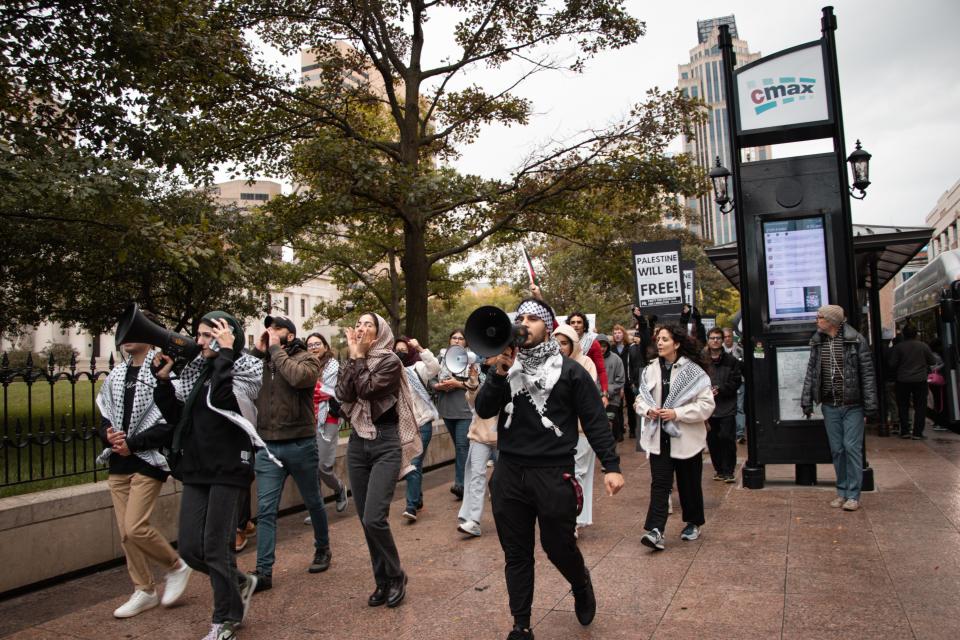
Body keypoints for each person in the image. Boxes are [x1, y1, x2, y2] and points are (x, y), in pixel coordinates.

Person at [475, 299, 624, 640]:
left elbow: (595, 421)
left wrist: (611, 467)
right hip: (510, 473)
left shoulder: (570, 371)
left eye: (532, 318)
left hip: (553, 473)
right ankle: (521, 624)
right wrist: (498, 373)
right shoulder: (505, 367)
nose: (524, 323)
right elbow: (484, 410)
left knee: (558, 548)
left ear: (548, 327)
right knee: (516, 554)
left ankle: (580, 582)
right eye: (520, 317)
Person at [152, 312, 268, 640]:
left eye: (207, 335)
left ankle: (225, 618)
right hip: (199, 467)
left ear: (225, 336)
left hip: (231, 465)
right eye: (199, 335)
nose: (199, 341)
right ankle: (240, 582)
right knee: (190, 548)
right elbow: (178, 417)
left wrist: (227, 354)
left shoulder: (244, 371)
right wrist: (163, 381)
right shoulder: (199, 372)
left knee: (216, 546)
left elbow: (222, 399)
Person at [97, 338, 192, 618]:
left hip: (149, 460)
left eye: (132, 332)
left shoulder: (162, 369)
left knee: (135, 527)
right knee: (126, 535)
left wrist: (135, 444)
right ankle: (144, 590)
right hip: (118, 461)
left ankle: (176, 566)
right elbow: (104, 413)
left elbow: (170, 420)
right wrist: (108, 435)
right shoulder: (117, 373)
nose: (125, 339)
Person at [336, 312, 422, 609]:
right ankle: (381, 580)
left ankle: (397, 575)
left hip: (386, 442)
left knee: (375, 517)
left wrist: (358, 358)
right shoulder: (352, 359)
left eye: (367, 325)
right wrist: (354, 358)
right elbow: (343, 393)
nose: (360, 329)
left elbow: (368, 390)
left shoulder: (389, 361)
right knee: (365, 520)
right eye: (358, 324)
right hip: (358, 444)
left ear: (380, 331)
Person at [246, 315, 329, 592]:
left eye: (277, 328)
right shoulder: (264, 360)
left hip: (300, 443)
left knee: (313, 500)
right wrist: (258, 352)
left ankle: (322, 548)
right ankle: (264, 570)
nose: (270, 331)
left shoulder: (307, 359)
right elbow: (238, 375)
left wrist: (274, 350)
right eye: (269, 328)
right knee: (266, 510)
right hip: (267, 445)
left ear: (290, 336)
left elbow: (297, 378)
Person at [635, 324, 714, 551]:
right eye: (658, 339)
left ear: (677, 343)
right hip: (658, 437)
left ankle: (693, 522)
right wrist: (647, 410)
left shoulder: (694, 371)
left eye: (665, 339)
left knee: (689, 484)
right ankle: (655, 530)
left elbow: (706, 406)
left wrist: (677, 413)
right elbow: (640, 399)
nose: (659, 343)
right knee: (660, 484)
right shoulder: (650, 369)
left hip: (686, 438)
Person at [801, 305, 877, 512]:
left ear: (832, 321)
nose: (816, 320)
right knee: (837, 450)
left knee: (852, 447)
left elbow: (867, 375)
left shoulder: (856, 340)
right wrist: (806, 400)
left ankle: (853, 494)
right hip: (829, 405)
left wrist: (870, 407)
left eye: (820, 317)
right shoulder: (818, 342)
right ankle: (842, 491)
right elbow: (811, 373)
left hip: (853, 405)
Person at [553, 323, 599, 537]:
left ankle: (573, 520)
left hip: (581, 430)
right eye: (556, 343)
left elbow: (585, 398)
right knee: (560, 475)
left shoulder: (586, 363)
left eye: (564, 343)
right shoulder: (548, 365)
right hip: (556, 432)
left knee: (578, 473)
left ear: (573, 344)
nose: (560, 347)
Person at [395, 336, 441, 522]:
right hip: (403, 427)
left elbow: (434, 368)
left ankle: (411, 506)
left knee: (412, 462)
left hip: (422, 423)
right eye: (396, 350)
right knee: (416, 464)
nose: (400, 353)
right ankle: (418, 498)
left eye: (404, 349)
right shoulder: (391, 371)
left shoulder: (417, 368)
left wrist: (420, 347)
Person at [305, 332, 349, 526]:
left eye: (317, 344)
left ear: (325, 345)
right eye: (310, 345)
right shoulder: (305, 364)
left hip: (328, 419)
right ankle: (316, 510)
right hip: (307, 420)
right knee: (310, 468)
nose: (313, 347)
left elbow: (327, 390)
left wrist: (312, 389)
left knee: (323, 465)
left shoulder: (333, 365)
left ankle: (339, 488)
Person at [430, 329, 478, 500]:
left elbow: (476, 384)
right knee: (462, 448)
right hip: (447, 411)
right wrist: (438, 386)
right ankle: (472, 479)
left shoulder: (472, 360)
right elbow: (431, 378)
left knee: (461, 446)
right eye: (454, 338)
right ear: (449, 340)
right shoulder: (440, 359)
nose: (457, 341)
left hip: (465, 410)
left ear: (466, 342)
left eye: (461, 338)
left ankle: (461, 485)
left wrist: (457, 384)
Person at [457, 363, 496, 537]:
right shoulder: (479, 370)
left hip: (507, 436)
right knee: (476, 477)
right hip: (480, 434)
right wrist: (473, 382)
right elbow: (473, 404)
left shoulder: (515, 367)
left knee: (507, 480)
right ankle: (473, 520)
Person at [703, 328, 742, 482]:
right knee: (712, 440)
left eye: (718, 338)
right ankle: (719, 469)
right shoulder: (702, 361)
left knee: (727, 438)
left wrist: (721, 389)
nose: (715, 340)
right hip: (708, 407)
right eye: (712, 338)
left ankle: (729, 470)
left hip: (727, 406)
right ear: (708, 340)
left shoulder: (731, 361)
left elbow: (736, 381)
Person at [888, 324, 937, 440]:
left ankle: (905, 431)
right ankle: (917, 432)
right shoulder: (923, 346)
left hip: (903, 380)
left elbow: (892, 364)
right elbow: (932, 361)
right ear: (916, 334)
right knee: (920, 406)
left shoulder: (899, 347)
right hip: (920, 380)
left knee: (903, 406)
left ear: (904, 334)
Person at [565, 312, 609, 406]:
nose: (576, 325)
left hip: (586, 388)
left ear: (584, 326)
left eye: (579, 322)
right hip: (566, 387)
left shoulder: (593, 343)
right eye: (572, 322)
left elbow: (601, 370)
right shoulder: (562, 342)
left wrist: (604, 394)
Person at [598, 333, 626, 442]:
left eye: (604, 346)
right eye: (599, 345)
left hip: (613, 399)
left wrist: (607, 391)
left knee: (611, 425)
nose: (602, 349)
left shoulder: (616, 359)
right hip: (596, 398)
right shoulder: (591, 359)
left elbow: (620, 379)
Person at [722, 327, 746, 444]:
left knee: (739, 407)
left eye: (729, 336)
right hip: (724, 383)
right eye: (725, 337)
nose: (727, 339)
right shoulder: (719, 349)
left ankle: (740, 433)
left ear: (732, 336)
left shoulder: (739, 348)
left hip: (739, 382)